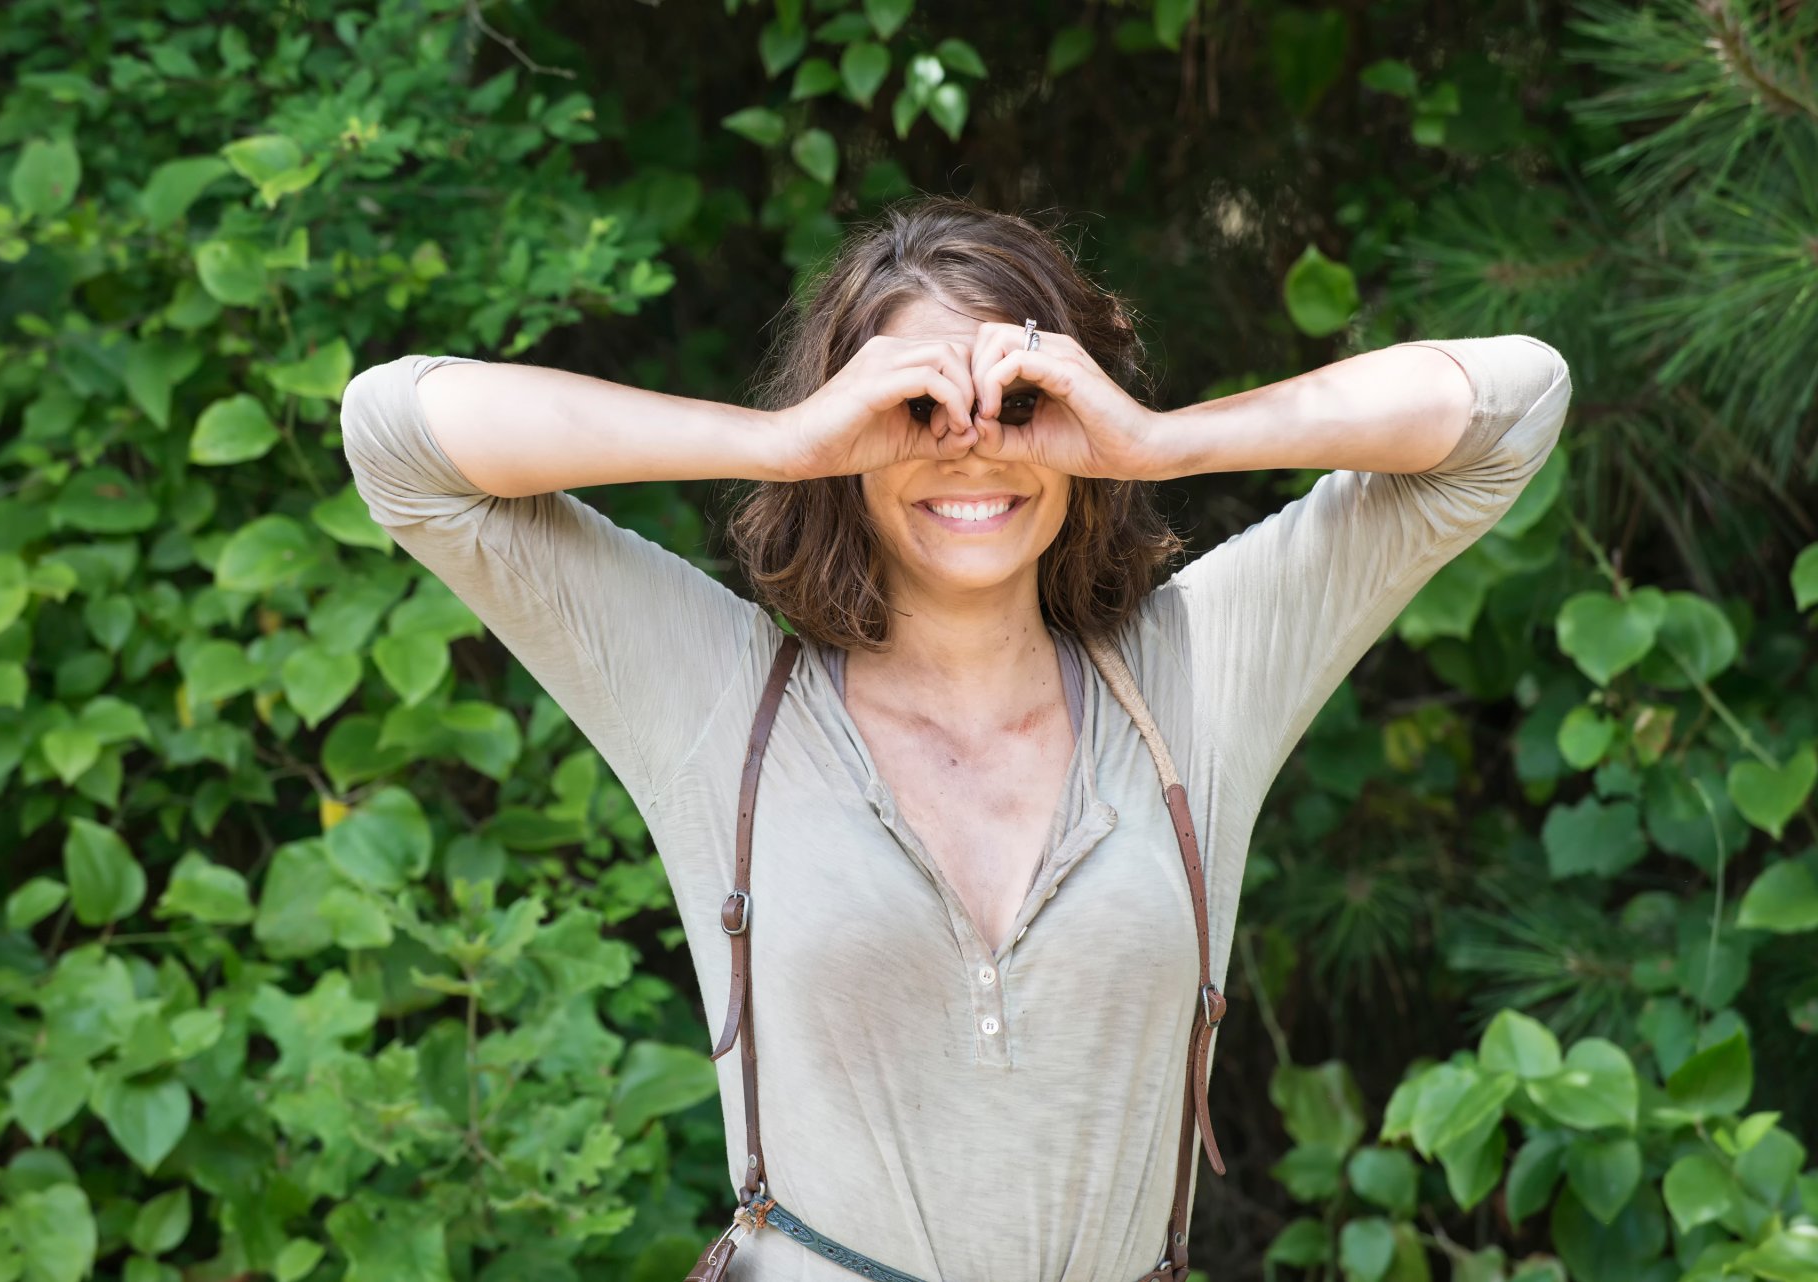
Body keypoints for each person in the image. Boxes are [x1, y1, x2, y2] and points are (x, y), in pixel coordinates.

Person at [339, 194, 1573, 1281]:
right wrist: (786, 441)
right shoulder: (724, 697)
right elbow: (397, 436)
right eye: (915, 407)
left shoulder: (1199, 678)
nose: (969, 442)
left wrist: (1156, 439)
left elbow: (1516, 404)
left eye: (1019, 402)